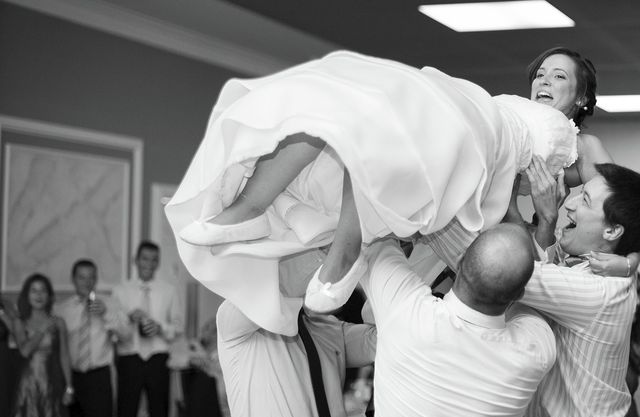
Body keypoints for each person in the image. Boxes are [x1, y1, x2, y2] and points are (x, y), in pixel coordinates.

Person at [165, 47, 604, 335]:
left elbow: (616, 208)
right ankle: (250, 205)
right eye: (541, 72)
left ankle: (345, 245)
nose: (544, 80)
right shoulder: (513, 104)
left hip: (487, 148)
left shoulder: (580, 145)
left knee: (388, 130)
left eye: (559, 77)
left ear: (581, 97)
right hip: (477, 114)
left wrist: (620, 256)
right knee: (366, 113)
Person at [423, 160, 640, 417]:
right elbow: (541, 266)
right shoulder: (584, 271)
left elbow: (493, 267)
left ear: (612, 230)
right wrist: (541, 214)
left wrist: (426, 211)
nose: (570, 203)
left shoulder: (599, 289)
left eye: (585, 201)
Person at [356, 225, 555, 417]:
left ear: (459, 261)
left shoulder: (407, 312)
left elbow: (375, 234)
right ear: (519, 294)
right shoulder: (535, 350)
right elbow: (537, 302)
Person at [216, 248, 376, 417]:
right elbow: (283, 286)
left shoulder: (328, 329)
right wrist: (336, 246)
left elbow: (385, 335)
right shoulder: (233, 319)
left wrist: (378, 260)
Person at [111, 240, 184, 417]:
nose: (148, 264)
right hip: (130, 358)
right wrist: (129, 319)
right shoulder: (121, 291)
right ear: (136, 260)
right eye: (144, 259)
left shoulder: (169, 290)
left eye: (153, 260)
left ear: (158, 263)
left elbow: (178, 327)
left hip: (157, 358)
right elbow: (115, 332)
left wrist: (159, 326)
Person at [55, 259, 129, 417]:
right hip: (70, 377)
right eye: (81, 277)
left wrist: (106, 314)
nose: (87, 282)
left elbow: (126, 335)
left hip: (99, 376)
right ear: (73, 279)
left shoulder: (110, 303)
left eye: (91, 277)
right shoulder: (62, 308)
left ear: (96, 279)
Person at [0, 274, 74, 417]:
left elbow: (65, 356)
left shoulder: (58, 322)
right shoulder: (19, 322)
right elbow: (24, 351)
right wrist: (40, 332)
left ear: (49, 295)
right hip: (27, 386)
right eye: (34, 290)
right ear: (27, 295)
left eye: (43, 290)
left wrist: (69, 387)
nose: (38, 295)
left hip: (52, 385)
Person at [179, 317, 232, 417]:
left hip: (222, 412)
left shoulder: (226, 354)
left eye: (212, 329)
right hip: (203, 414)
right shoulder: (193, 350)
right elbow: (175, 361)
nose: (207, 331)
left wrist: (206, 362)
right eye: (207, 328)